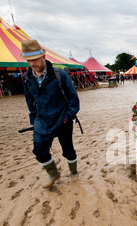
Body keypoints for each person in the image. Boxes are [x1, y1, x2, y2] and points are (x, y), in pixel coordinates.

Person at [20, 39, 80, 189]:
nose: (33, 64)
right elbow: (30, 101)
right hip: (42, 121)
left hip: (62, 119)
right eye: (29, 60)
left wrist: (68, 117)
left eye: (35, 59)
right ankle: (53, 173)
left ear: (43, 57)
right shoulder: (27, 78)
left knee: (68, 149)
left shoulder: (59, 75)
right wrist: (34, 120)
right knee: (39, 150)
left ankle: (73, 172)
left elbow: (73, 98)